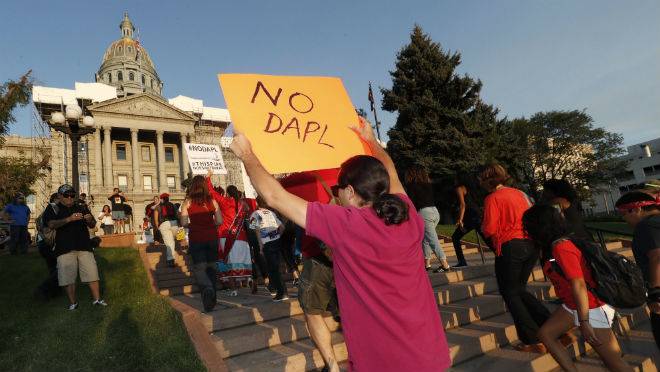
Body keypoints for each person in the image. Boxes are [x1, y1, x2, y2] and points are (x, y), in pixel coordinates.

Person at [230, 117, 451, 371]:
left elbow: (274, 196)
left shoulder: (347, 224)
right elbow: (390, 170)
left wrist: (247, 154)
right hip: (430, 354)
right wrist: (370, 141)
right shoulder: (408, 213)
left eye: (338, 189)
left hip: (383, 361)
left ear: (350, 191)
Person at [523, 204, 632, 372]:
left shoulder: (562, 247)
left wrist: (584, 321)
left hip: (590, 306)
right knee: (546, 334)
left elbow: (579, 284)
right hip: (574, 304)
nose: (525, 231)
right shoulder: (554, 246)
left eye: (527, 226)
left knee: (614, 363)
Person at [480, 163, 550, 353]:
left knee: (510, 293)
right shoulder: (521, 194)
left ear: (487, 180)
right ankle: (553, 327)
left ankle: (532, 339)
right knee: (519, 290)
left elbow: (489, 228)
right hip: (531, 244)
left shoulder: (492, 198)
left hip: (511, 246)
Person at [42, 184, 107, 310]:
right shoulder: (53, 208)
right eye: (67, 195)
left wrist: (89, 220)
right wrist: (69, 219)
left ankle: (97, 300)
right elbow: (50, 224)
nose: (70, 198)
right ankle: (73, 303)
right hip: (64, 247)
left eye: (72, 195)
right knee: (67, 277)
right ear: (60, 196)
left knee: (92, 273)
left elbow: (93, 224)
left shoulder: (81, 206)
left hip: (84, 245)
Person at [615, 191, 660, 350]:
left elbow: (657, 257)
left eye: (623, 213)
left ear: (635, 209)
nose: (624, 219)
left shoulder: (645, 226)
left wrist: (655, 293)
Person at [180, 175, 222, 312]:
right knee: (211, 267)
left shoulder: (188, 202)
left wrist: (194, 225)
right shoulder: (212, 201)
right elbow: (220, 221)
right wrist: (210, 224)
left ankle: (208, 290)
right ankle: (211, 300)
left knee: (199, 268)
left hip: (196, 237)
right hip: (211, 237)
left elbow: (184, 223)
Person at [404, 167, 451, 272]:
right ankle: (427, 264)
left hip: (424, 213)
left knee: (433, 241)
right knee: (426, 239)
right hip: (434, 212)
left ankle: (445, 264)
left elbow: (411, 204)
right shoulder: (428, 185)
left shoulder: (412, 186)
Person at [249, 196, 288, 301]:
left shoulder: (255, 214)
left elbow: (255, 229)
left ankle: (281, 293)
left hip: (266, 243)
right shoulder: (272, 213)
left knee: (273, 269)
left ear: (257, 203)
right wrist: (277, 236)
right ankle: (281, 290)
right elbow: (282, 227)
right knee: (277, 267)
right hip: (276, 241)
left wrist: (260, 245)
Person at [451, 174, 486, 267]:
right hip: (477, 215)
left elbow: (463, 205)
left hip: (469, 217)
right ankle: (501, 256)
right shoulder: (470, 188)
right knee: (487, 239)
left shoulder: (459, 188)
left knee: (455, 237)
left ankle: (462, 261)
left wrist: (460, 219)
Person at [34, 192, 62, 300]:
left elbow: (39, 225)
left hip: (43, 243)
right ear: (56, 199)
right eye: (61, 198)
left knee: (53, 268)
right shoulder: (53, 208)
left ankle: (54, 292)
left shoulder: (44, 212)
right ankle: (44, 289)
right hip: (49, 243)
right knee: (59, 268)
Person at [153, 193, 179, 267]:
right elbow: (177, 215)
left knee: (169, 243)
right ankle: (171, 258)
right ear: (168, 198)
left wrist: (158, 227)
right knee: (172, 241)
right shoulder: (173, 205)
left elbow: (156, 219)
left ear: (161, 199)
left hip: (164, 225)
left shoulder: (158, 207)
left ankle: (170, 260)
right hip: (174, 224)